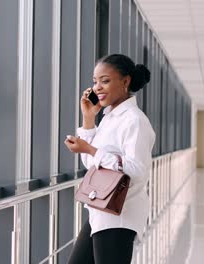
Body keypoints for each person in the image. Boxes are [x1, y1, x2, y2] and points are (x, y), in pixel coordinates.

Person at [64, 54, 155, 264]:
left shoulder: (135, 121)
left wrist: (92, 149)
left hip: (120, 214)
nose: (97, 87)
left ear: (125, 81)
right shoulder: (108, 118)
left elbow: (137, 170)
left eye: (105, 81)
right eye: (95, 81)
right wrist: (88, 119)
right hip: (101, 211)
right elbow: (91, 166)